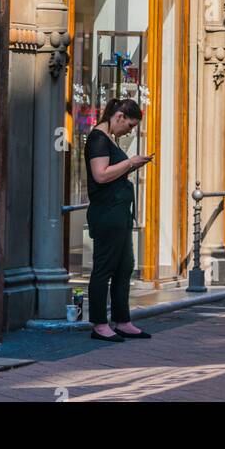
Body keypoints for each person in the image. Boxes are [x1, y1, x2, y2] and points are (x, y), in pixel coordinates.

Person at [84, 97, 152, 341]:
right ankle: (100, 324)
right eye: (131, 126)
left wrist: (130, 166)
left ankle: (122, 320)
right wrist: (130, 163)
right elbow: (100, 175)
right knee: (104, 267)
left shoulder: (110, 138)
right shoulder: (98, 139)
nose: (130, 130)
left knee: (125, 266)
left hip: (119, 213)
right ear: (119, 117)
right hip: (107, 213)